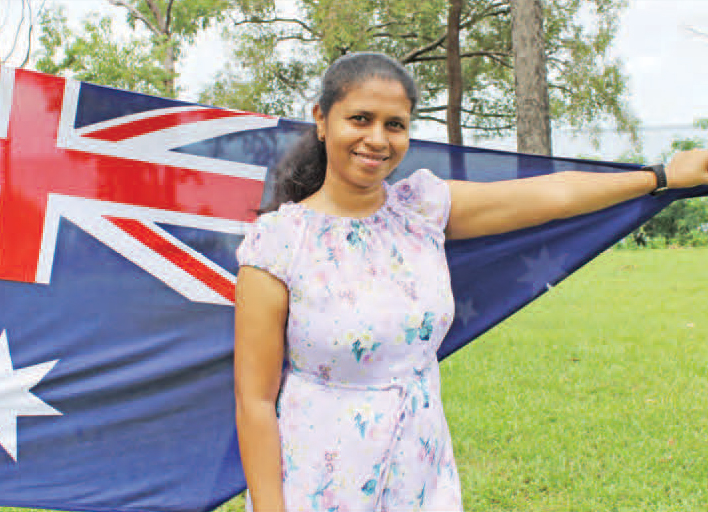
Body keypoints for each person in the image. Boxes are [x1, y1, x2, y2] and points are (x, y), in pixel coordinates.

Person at [232, 52, 708, 512]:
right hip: (320, 479)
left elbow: (552, 195)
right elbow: (254, 402)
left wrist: (660, 176)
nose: (377, 139)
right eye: (360, 119)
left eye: (394, 124)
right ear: (321, 119)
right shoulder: (279, 243)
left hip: (420, 471)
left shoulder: (420, 210)